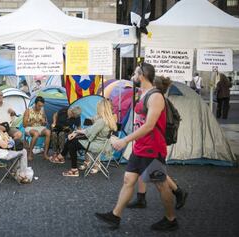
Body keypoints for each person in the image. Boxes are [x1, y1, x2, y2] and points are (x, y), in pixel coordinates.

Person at [95, 63, 179, 231]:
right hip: (141, 147)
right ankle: (115, 215)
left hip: (152, 149)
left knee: (161, 184)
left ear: (142, 75)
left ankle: (171, 219)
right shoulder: (144, 93)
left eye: (134, 73)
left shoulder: (155, 96)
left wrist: (125, 140)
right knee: (128, 180)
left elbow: (149, 126)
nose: (132, 76)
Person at [127, 76, 188, 210]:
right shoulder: (148, 96)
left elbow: (149, 124)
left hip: (151, 142)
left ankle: (177, 194)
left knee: (156, 173)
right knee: (143, 169)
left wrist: (127, 139)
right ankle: (141, 198)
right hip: (143, 140)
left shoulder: (155, 99)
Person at [54, 100, 117, 176]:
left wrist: (76, 132)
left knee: (72, 143)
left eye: (98, 108)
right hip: (99, 142)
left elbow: (89, 132)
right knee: (72, 140)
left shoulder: (102, 121)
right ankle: (64, 159)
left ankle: (73, 169)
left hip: (96, 144)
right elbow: (90, 130)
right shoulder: (107, 119)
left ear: (102, 109)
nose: (97, 109)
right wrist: (76, 133)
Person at [0, 111, 30, 183]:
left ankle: (14, 172)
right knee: (23, 151)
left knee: (16, 152)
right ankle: (22, 175)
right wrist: (8, 140)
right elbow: (4, 146)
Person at [23, 96, 51, 161]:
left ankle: (45, 154)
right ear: (35, 104)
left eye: (41, 106)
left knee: (48, 132)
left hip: (40, 127)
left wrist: (44, 122)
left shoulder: (42, 110)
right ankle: (30, 153)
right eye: (39, 106)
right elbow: (24, 125)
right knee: (36, 133)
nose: (40, 107)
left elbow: (44, 123)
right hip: (30, 128)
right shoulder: (28, 110)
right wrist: (33, 121)